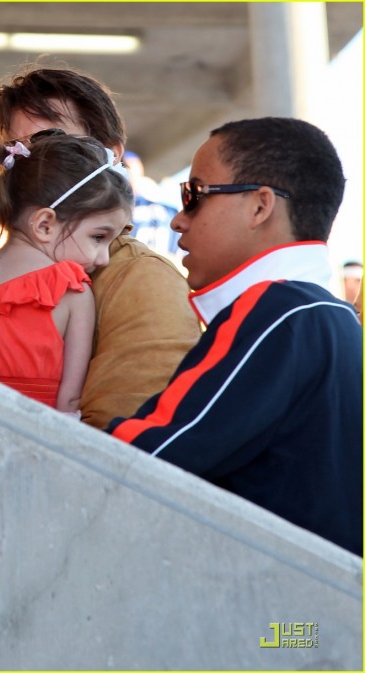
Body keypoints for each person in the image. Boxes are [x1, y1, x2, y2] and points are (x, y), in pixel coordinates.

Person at [108, 117, 363, 556]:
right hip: (316, 620)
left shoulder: (278, 313)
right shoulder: (336, 321)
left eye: (193, 196)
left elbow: (146, 454)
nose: (178, 222)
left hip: (266, 619)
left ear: (261, 206)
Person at [0, 66, 202, 428]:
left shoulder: (142, 280)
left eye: (55, 143)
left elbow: (131, 438)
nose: (33, 165)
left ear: (110, 157)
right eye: (20, 152)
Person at [0, 132, 133, 415]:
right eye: (98, 237)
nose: (104, 259)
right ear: (45, 225)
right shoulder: (71, 291)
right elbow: (69, 404)